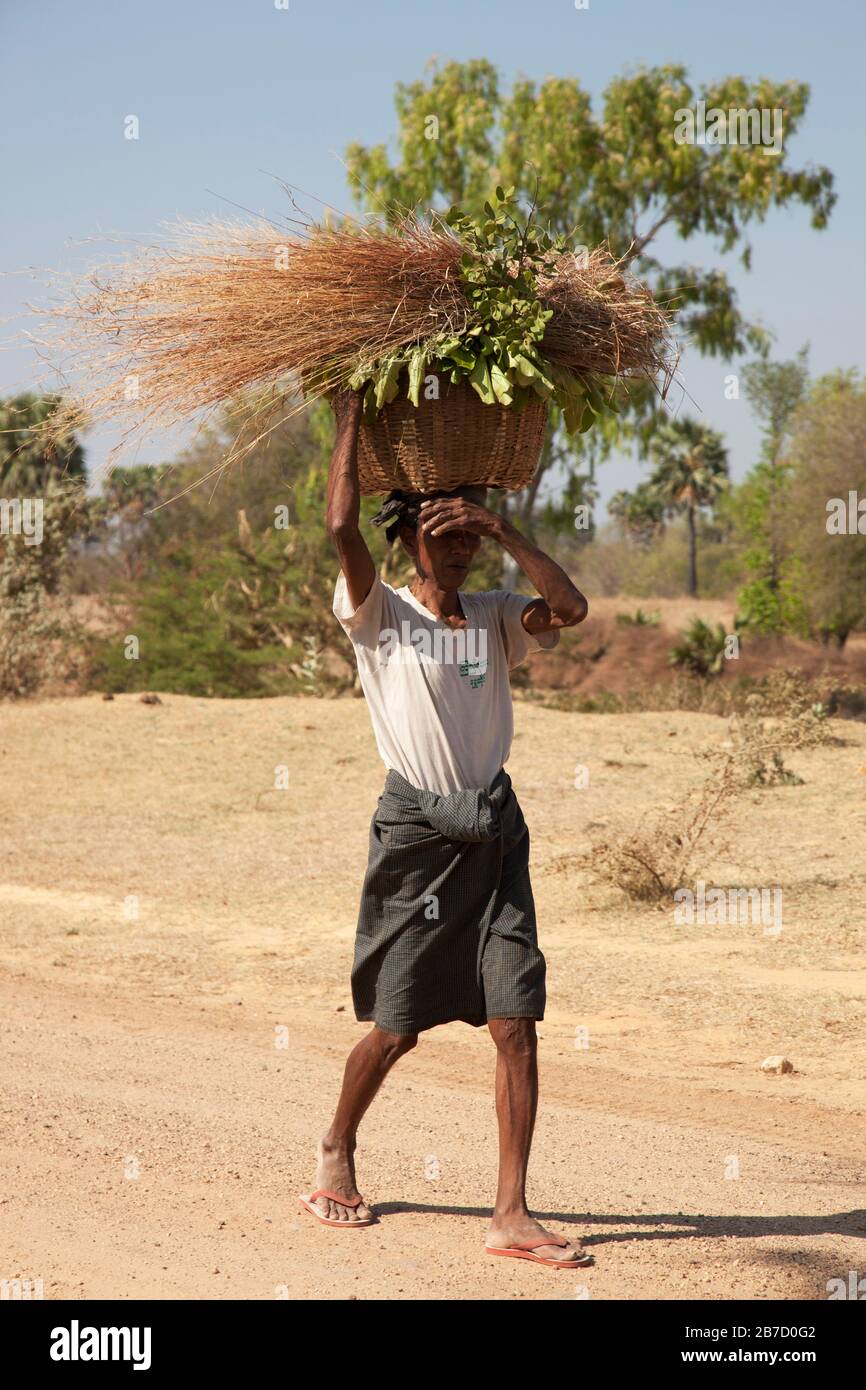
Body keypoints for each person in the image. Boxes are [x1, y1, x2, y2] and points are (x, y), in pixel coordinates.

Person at [299, 387, 592, 1267]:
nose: (461, 548)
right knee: (397, 1026)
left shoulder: (500, 615)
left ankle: (510, 1214)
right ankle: (336, 1151)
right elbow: (340, 528)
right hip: (419, 836)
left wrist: (508, 532)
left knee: (516, 1020)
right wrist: (350, 413)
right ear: (411, 537)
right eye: (448, 534)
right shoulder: (381, 614)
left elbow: (570, 610)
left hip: (494, 832)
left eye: (472, 534)